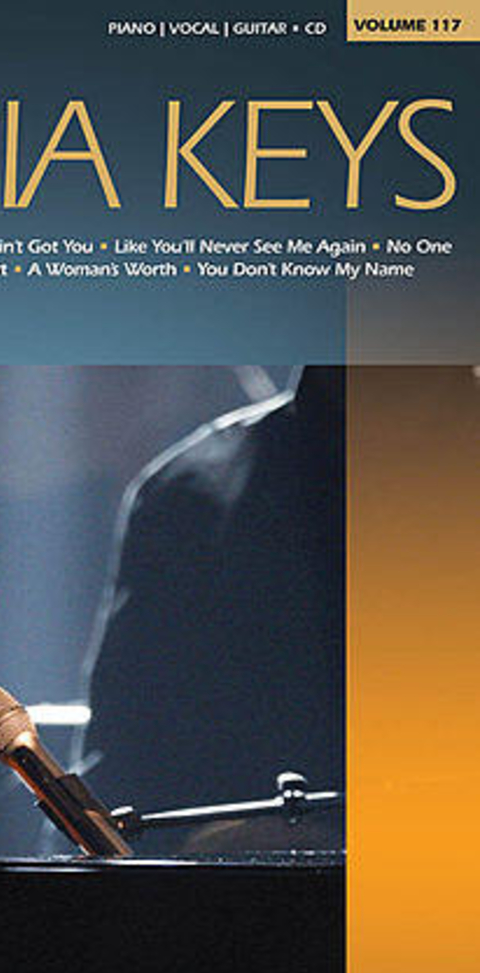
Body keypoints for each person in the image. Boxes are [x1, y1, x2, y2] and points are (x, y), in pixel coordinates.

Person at [77, 366, 344, 854]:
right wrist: (206, 842)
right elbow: (124, 773)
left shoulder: (189, 486)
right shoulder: (190, 493)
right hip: (253, 891)